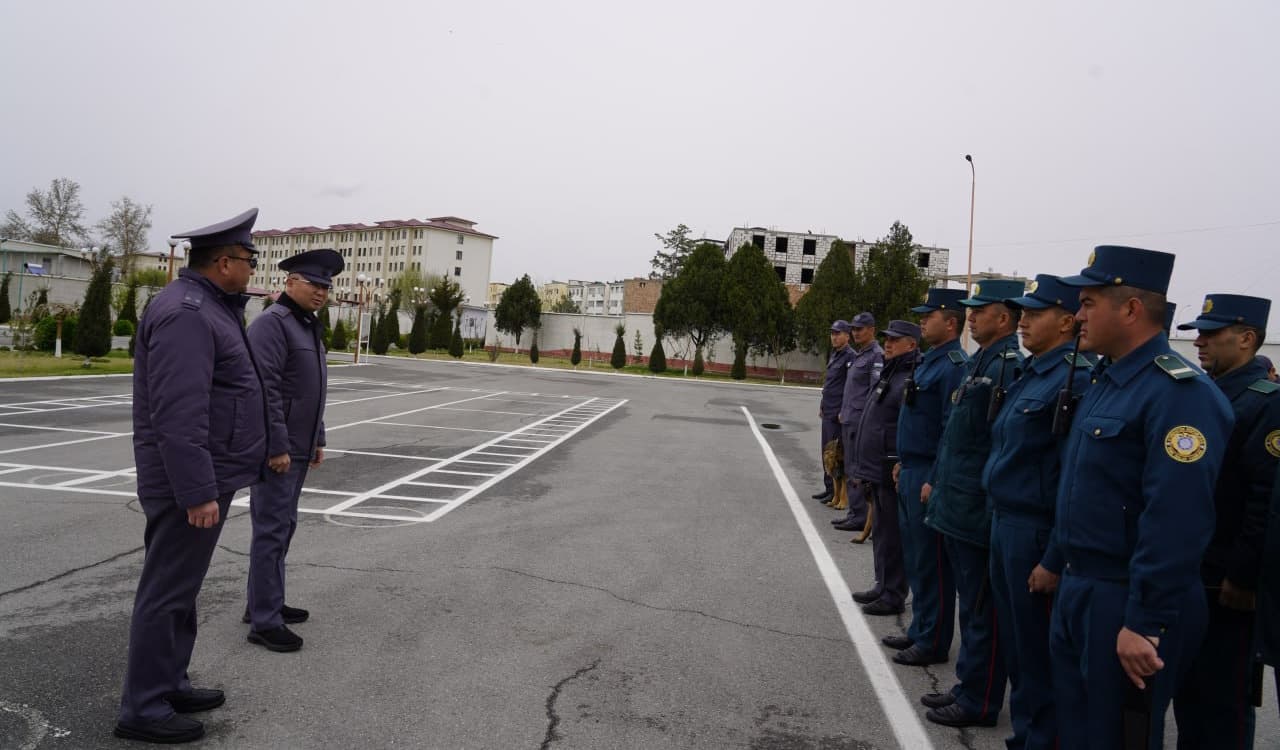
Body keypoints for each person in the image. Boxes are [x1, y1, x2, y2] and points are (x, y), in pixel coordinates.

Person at [1050, 245, 1233, 750]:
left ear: (1130, 309)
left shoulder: (1180, 394)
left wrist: (1145, 620)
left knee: (1117, 735)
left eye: (1088, 303)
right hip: (1081, 584)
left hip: (1126, 595)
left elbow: (1178, 518)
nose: (1077, 315)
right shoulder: (1107, 380)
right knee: (1078, 729)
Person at [115, 208, 267, 744]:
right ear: (224, 262)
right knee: (166, 591)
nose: (253, 267)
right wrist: (198, 489)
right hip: (188, 484)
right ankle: (144, 707)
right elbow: (179, 413)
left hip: (207, 476)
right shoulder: (186, 313)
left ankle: (169, 680)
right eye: (249, 259)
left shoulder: (211, 308)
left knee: (181, 590)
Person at [982, 275, 1093, 749]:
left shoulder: (1076, 378)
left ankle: (1041, 738)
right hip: (1005, 521)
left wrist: (1053, 553)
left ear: (1068, 321)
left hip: (1035, 531)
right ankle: (1027, 734)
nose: (1022, 321)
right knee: (1017, 643)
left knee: (1040, 649)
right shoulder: (1035, 372)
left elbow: (1073, 477)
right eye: (1022, 313)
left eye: (1035, 313)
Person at [1172, 294, 1279, 749]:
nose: (1200, 341)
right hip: (1196, 565)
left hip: (1227, 577)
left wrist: (1243, 574)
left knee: (1224, 698)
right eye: (1199, 331)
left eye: (1213, 333)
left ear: (1248, 338)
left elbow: (1263, 499)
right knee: (1189, 689)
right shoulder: (1208, 391)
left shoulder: (1265, 402)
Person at [919, 279, 1025, 728]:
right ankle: (968, 685)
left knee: (982, 609)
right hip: (958, 503)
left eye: (980, 310)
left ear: (1004, 318)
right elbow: (957, 436)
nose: (971, 316)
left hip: (978, 508)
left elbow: (996, 446)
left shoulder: (1008, 367)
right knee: (971, 604)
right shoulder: (980, 361)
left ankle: (980, 699)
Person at [243, 249, 343, 652]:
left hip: (299, 446)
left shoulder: (306, 326)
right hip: (278, 450)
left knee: (283, 526)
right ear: (289, 282)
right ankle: (264, 622)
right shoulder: (273, 325)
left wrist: (318, 436)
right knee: (271, 529)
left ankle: (264, 603)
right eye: (313, 284)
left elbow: (310, 390)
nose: (320, 292)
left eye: (326, 287)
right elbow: (263, 390)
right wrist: (276, 446)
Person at [885, 288, 968, 667]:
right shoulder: (930, 360)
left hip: (928, 474)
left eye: (929, 315)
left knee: (932, 562)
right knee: (917, 558)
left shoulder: (953, 365)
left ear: (950, 322)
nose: (922, 320)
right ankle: (921, 629)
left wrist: (933, 476)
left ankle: (933, 640)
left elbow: (951, 428)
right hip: (912, 467)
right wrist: (904, 460)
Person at [850, 320, 921, 616]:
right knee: (880, 530)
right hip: (875, 466)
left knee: (893, 534)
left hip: (889, 467)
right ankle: (882, 584)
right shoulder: (891, 371)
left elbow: (908, 425)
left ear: (912, 345)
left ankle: (894, 594)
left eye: (895, 339)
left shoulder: (910, 375)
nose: (888, 344)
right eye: (887, 339)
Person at [833, 311, 884, 531]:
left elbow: (873, 392)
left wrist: (863, 418)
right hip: (849, 418)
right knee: (850, 467)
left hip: (859, 421)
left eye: (859, 329)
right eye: (853, 329)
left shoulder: (876, 356)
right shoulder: (861, 355)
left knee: (857, 470)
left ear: (872, 330)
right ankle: (855, 512)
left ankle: (860, 516)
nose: (855, 333)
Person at [813, 320, 855, 503]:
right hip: (828, 410)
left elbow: (850, 387)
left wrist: (844, 410)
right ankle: (829, 487)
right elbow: (830, 384)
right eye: (832, 333)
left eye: (838, 333)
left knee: (836, 454)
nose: (834, 337)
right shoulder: (835, 355)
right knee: (826, 451)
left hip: (838, 413)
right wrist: (823, 404)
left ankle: (838, 493)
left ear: (847, 336)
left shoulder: (850, 357)